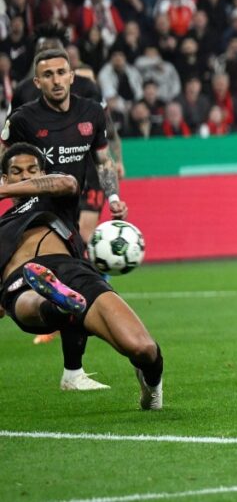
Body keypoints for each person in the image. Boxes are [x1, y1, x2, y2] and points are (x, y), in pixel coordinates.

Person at [2, 47, 128, 390]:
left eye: (61, 73)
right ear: (38, 82)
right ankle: (73, 372)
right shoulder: (23, 119)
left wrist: (113, 196)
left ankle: (73, 373)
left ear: (73, 76)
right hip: (36, 214)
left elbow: (103, 162)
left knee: (66, 291)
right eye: (48, 75)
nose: (56, 80)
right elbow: (5, 162)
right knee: (66, 286)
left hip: (69, 212)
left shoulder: (91, 113)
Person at [0, 143, 163, 409]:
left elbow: (67, 182)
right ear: (5, 176)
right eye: (16, 172)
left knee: (143, 348)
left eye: (32, 170)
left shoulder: (54, 199)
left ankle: (152, 385)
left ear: (43, 172)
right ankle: (55, 301)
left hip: (73, 271)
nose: (25, 176)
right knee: (30, 300)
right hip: (20, 279)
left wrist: (3, 190)